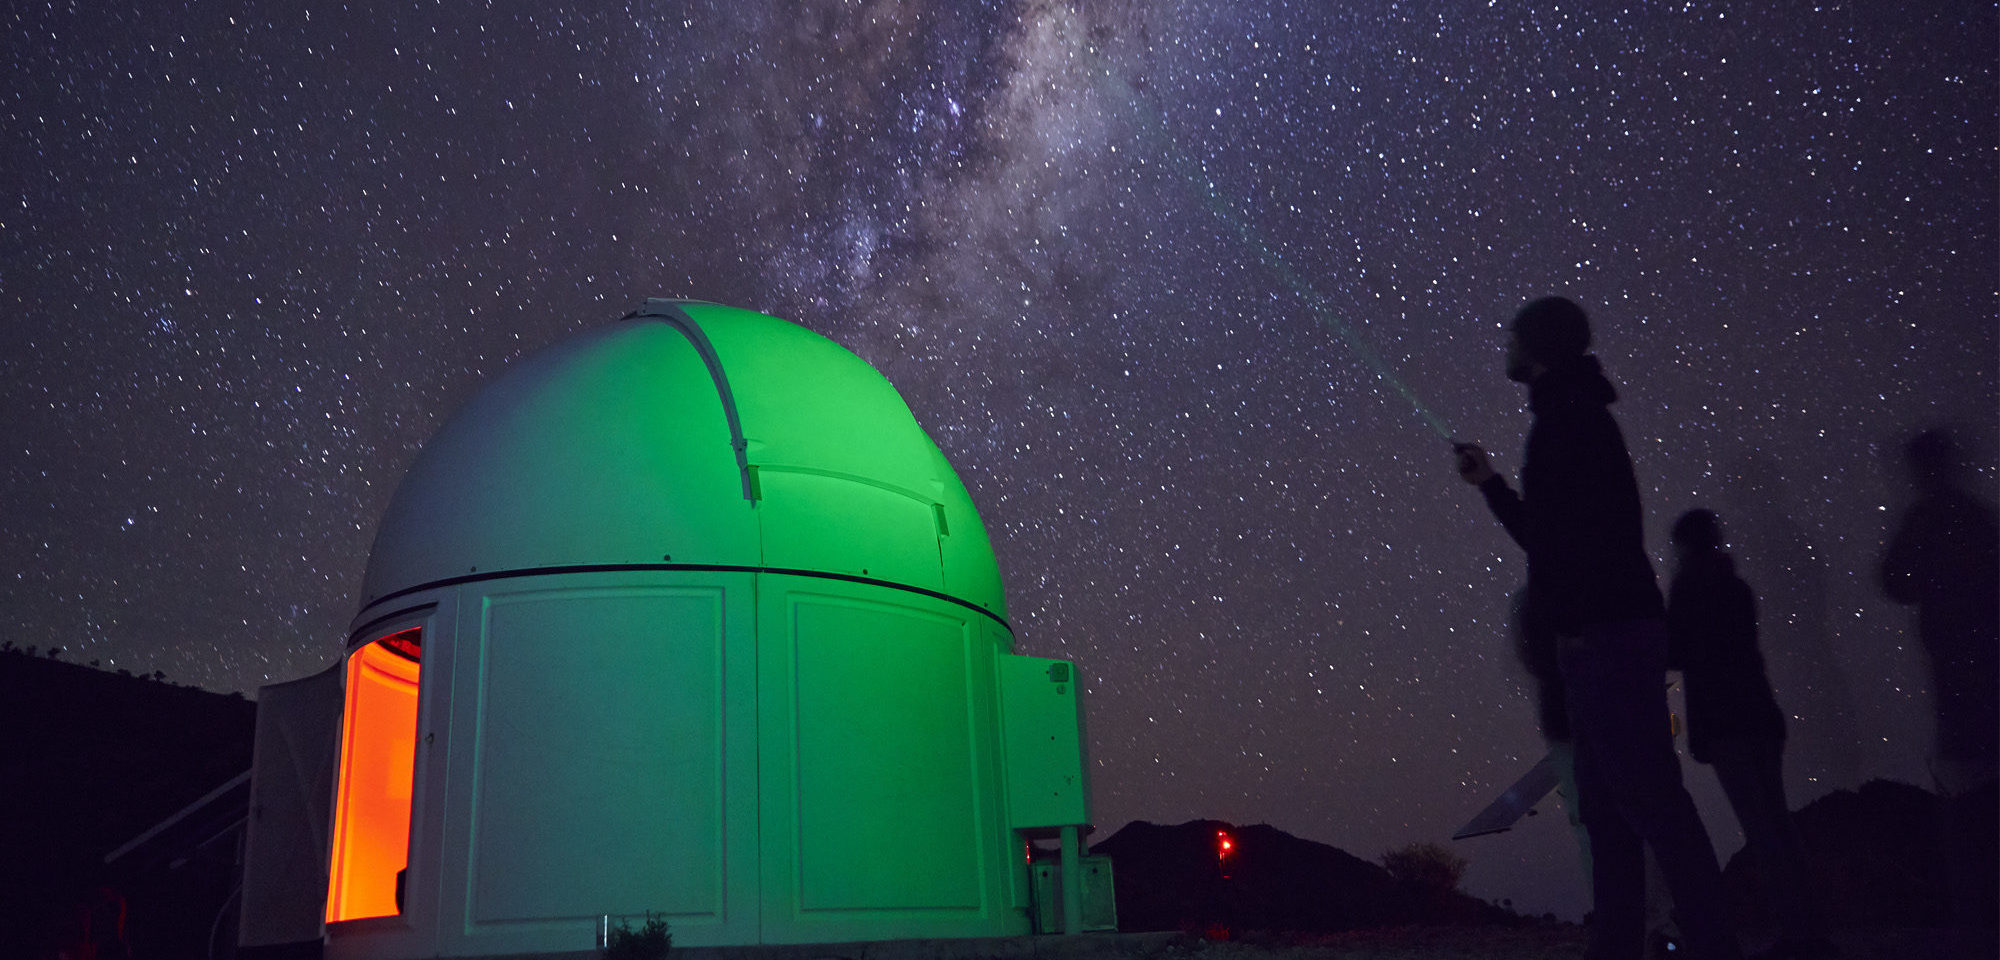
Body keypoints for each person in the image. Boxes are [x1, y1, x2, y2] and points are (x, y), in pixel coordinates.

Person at [1455, 296, 1739, 960]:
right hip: (1609, 632)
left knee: (1647, 803)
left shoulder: (1567, 421)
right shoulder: (1575, 415)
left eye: (1513, 337)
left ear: (1540, 349)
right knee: (1614, 810)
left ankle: (1710, 945)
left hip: (1604, 637)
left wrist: (1576, 622)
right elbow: (1560, 534)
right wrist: (1493, 483)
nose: (1504, 344)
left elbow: (1570, 541)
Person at [1668, 509, 1831, 959]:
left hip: (1726, 726)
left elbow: (1676, 650)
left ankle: (1797, 934)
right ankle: (1809, 928)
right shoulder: (1736, 587)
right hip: (1759, 716)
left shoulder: (1688, 592)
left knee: (1761, 829)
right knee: (1778, 822)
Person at [1880, 428, 1999, 930]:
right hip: (1985, 656)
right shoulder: (1973, 517)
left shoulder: (1928, 519)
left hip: (1955, 662)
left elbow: (1895, 579)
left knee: (1967, 773)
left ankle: (1981, 902)